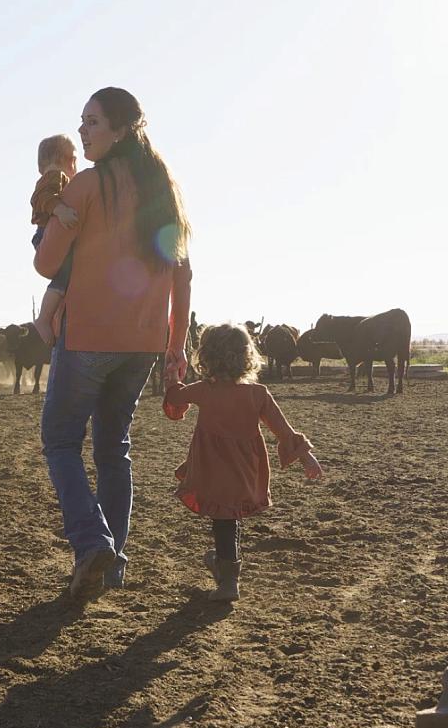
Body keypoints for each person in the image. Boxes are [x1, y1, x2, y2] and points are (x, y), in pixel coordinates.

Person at [35, 87, 193, 601]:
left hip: (87, 340)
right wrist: (176, 345)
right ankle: (112, 565)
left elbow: (45, 265)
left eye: (93, 122)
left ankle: (92, 545)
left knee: (60, 440)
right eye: (81, 121)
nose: (82, 130)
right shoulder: (161, 188)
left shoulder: (86, 185)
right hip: (143, 344)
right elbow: (181, 272)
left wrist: (56, 218)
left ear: (122, 129)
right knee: (113, 448)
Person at [163, 323, 324, 602]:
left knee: (223, 519)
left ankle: (229, 581)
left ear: (207, 357)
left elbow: (175, 401)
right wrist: (307, 457)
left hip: (213, 468)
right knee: (230, 516)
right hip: (245, 467)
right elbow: (283, 430)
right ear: (246, 356)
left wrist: (172, 376)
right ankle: (224, 566)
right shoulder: (258, 393)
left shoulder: (203, 389)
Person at [29, 134, 79, 346]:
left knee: (65, 277)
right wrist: (61, 211)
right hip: (45, 234)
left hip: (47, 234)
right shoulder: (55, 176)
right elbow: (41, 199)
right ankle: (43, 319)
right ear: (66, 159)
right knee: (63, 277)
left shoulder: (55, 177)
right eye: (74, 158)